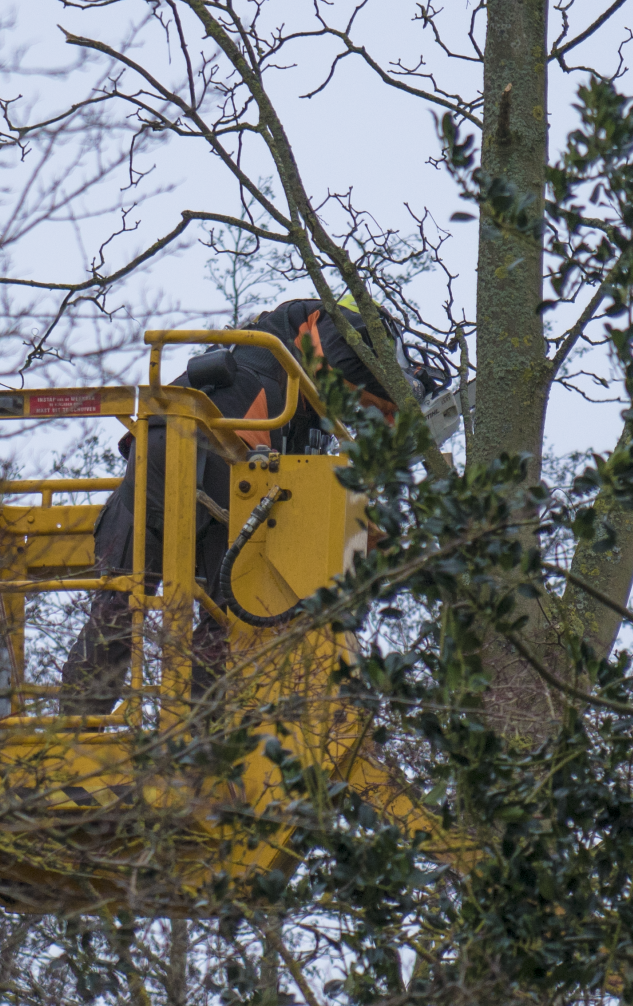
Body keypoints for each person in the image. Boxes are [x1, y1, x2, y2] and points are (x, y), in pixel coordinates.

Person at [57, 298, 422, 716]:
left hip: (160, 440)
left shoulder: (284, 381)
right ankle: (197, 740)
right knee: (231, 618)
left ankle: (76, 730)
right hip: (219, 450)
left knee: (119, 604)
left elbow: (305, 477)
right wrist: (404, 395)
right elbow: (348, 368)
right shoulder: (331, 324)